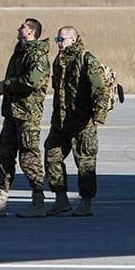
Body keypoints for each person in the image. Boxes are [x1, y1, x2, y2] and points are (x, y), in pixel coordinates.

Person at [0, 18, 52, 218]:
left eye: (23, 26)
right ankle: (0, 200)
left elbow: (32, 82)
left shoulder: (37, 55)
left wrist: (5, 85)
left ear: (31, 32)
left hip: (27, 114)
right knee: (4, 156)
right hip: (12, 112)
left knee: (29, 157)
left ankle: (38, 202)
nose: (19, 28)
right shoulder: (20, 51)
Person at [44, 26, 105, 217]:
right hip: (61, 121)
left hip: (82, 122)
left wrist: (98, 116)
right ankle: (60, 199)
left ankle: (86, 202)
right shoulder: (58, 61)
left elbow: (99, 89)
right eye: (58, 40)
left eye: (62, 40)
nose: (59, 43)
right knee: (52, 156)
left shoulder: (87, 59)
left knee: (85, 162)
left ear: (73, 39)